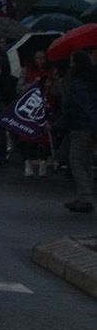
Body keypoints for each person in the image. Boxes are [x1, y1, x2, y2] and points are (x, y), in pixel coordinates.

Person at [54, 49, 97, 213]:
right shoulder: (89, 81)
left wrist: (58, 125)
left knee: (77, 161)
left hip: (80, 127)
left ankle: (85, 197)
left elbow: (76, 108)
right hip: (87, 127)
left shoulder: (77, 84)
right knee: (85, 162)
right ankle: (84, 195)